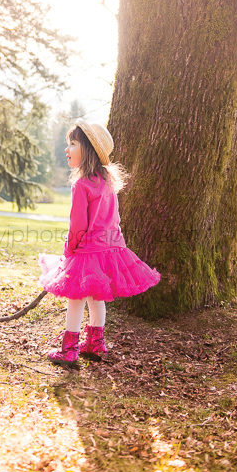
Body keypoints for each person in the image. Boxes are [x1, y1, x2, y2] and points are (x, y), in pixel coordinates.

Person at [38, 119, 160, 368]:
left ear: (87, 150)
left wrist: (69, 248)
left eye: (72, 144)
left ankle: (69, 349)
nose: (67, 149)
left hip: (87, 250)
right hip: (109, 249)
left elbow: (78, 225)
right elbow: (115, 219)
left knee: (76, 299)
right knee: (96, 298)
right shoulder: (107, 184)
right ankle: (95, 342)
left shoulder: (82, 185)